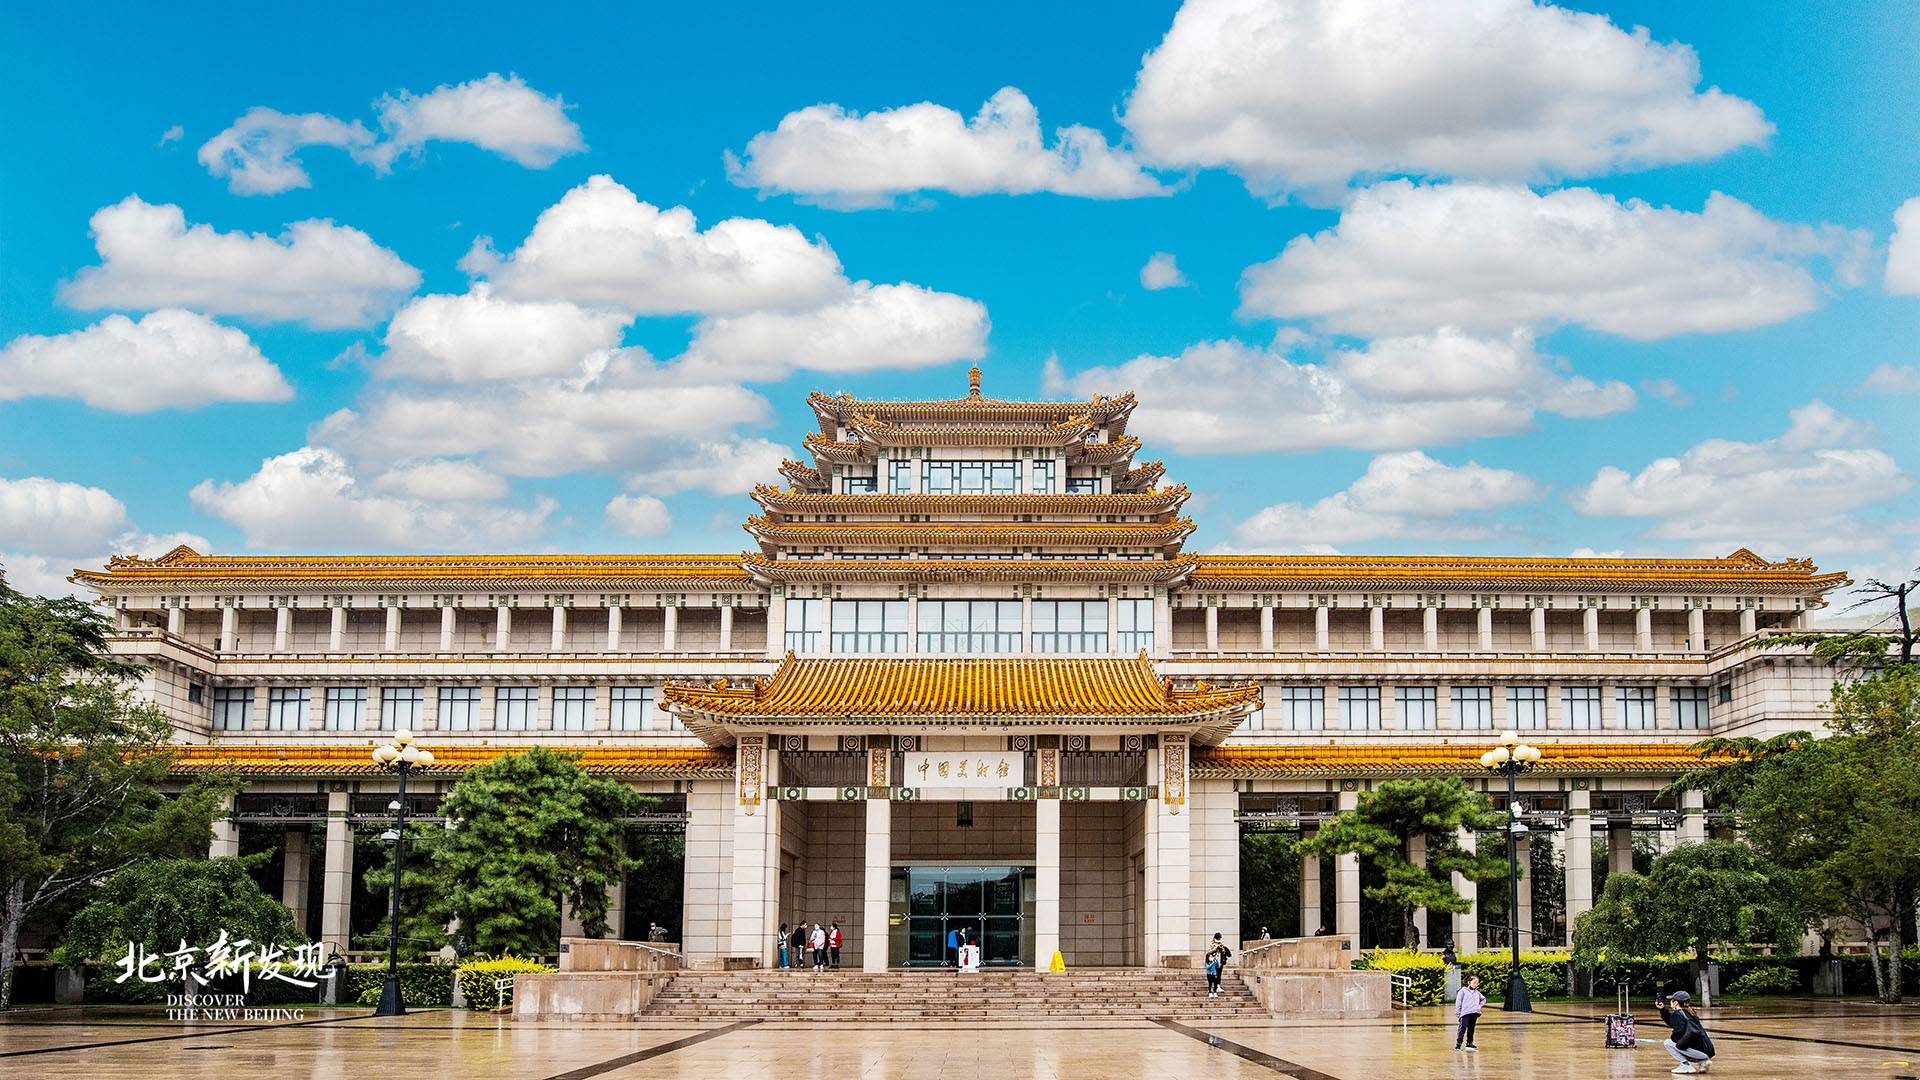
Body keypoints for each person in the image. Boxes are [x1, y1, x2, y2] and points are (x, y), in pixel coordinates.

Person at [1659, 991, 1715, 1073]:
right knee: (1681, 1043)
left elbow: (1679, 1031)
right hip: (1706, 1051)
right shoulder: (1690, 1012)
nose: (1670, 1002)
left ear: (1676, 1003)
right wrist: (1663, 1009)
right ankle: (1703, 1062)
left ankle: (1685, 1065)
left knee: (1668, 1043)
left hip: (1698, 1052)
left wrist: (1677, 1042)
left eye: (1672, 1000)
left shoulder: (1678, 1014)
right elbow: (1673, 1022)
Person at [1454, 974, 1485, 1051]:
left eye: (1477, 983)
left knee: (1471, 1028)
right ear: (1469, 982)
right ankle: (1458, 1044)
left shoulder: (1477, 993)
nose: (1475, 985)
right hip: (1465, 1013)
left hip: (1474, 1013)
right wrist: (1458, 1012)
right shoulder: (1462, 991)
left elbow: (1483, 999)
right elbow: (1458, 1002)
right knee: (1462, 1028)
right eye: (1474, 982)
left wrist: (1478, 1007)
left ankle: (1469, 1043)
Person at [1204, 932, 1232, 998]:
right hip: (1213, 961)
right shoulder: (1212, 944)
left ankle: (1217, 987)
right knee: (1213, 977)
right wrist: (1216, 949)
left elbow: (1226, 953)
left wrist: (1222, 949)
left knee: (1218, 975)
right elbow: (1209, 952)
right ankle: (1211, 990)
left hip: (1219, 961)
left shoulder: (1221, 944)